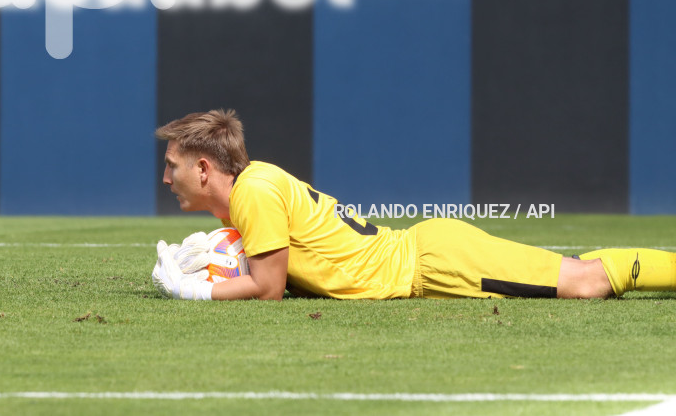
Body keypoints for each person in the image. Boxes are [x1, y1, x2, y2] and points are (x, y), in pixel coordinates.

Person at [151, 109, 676, 301]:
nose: (166, 175)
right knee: (577, 274)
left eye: (173, 164)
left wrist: (197, 290)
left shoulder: (255, 192)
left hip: (433, 265)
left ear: (204, 169)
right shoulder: (254, 187)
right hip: (426, 255)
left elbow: (267, 290)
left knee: (586, 282)